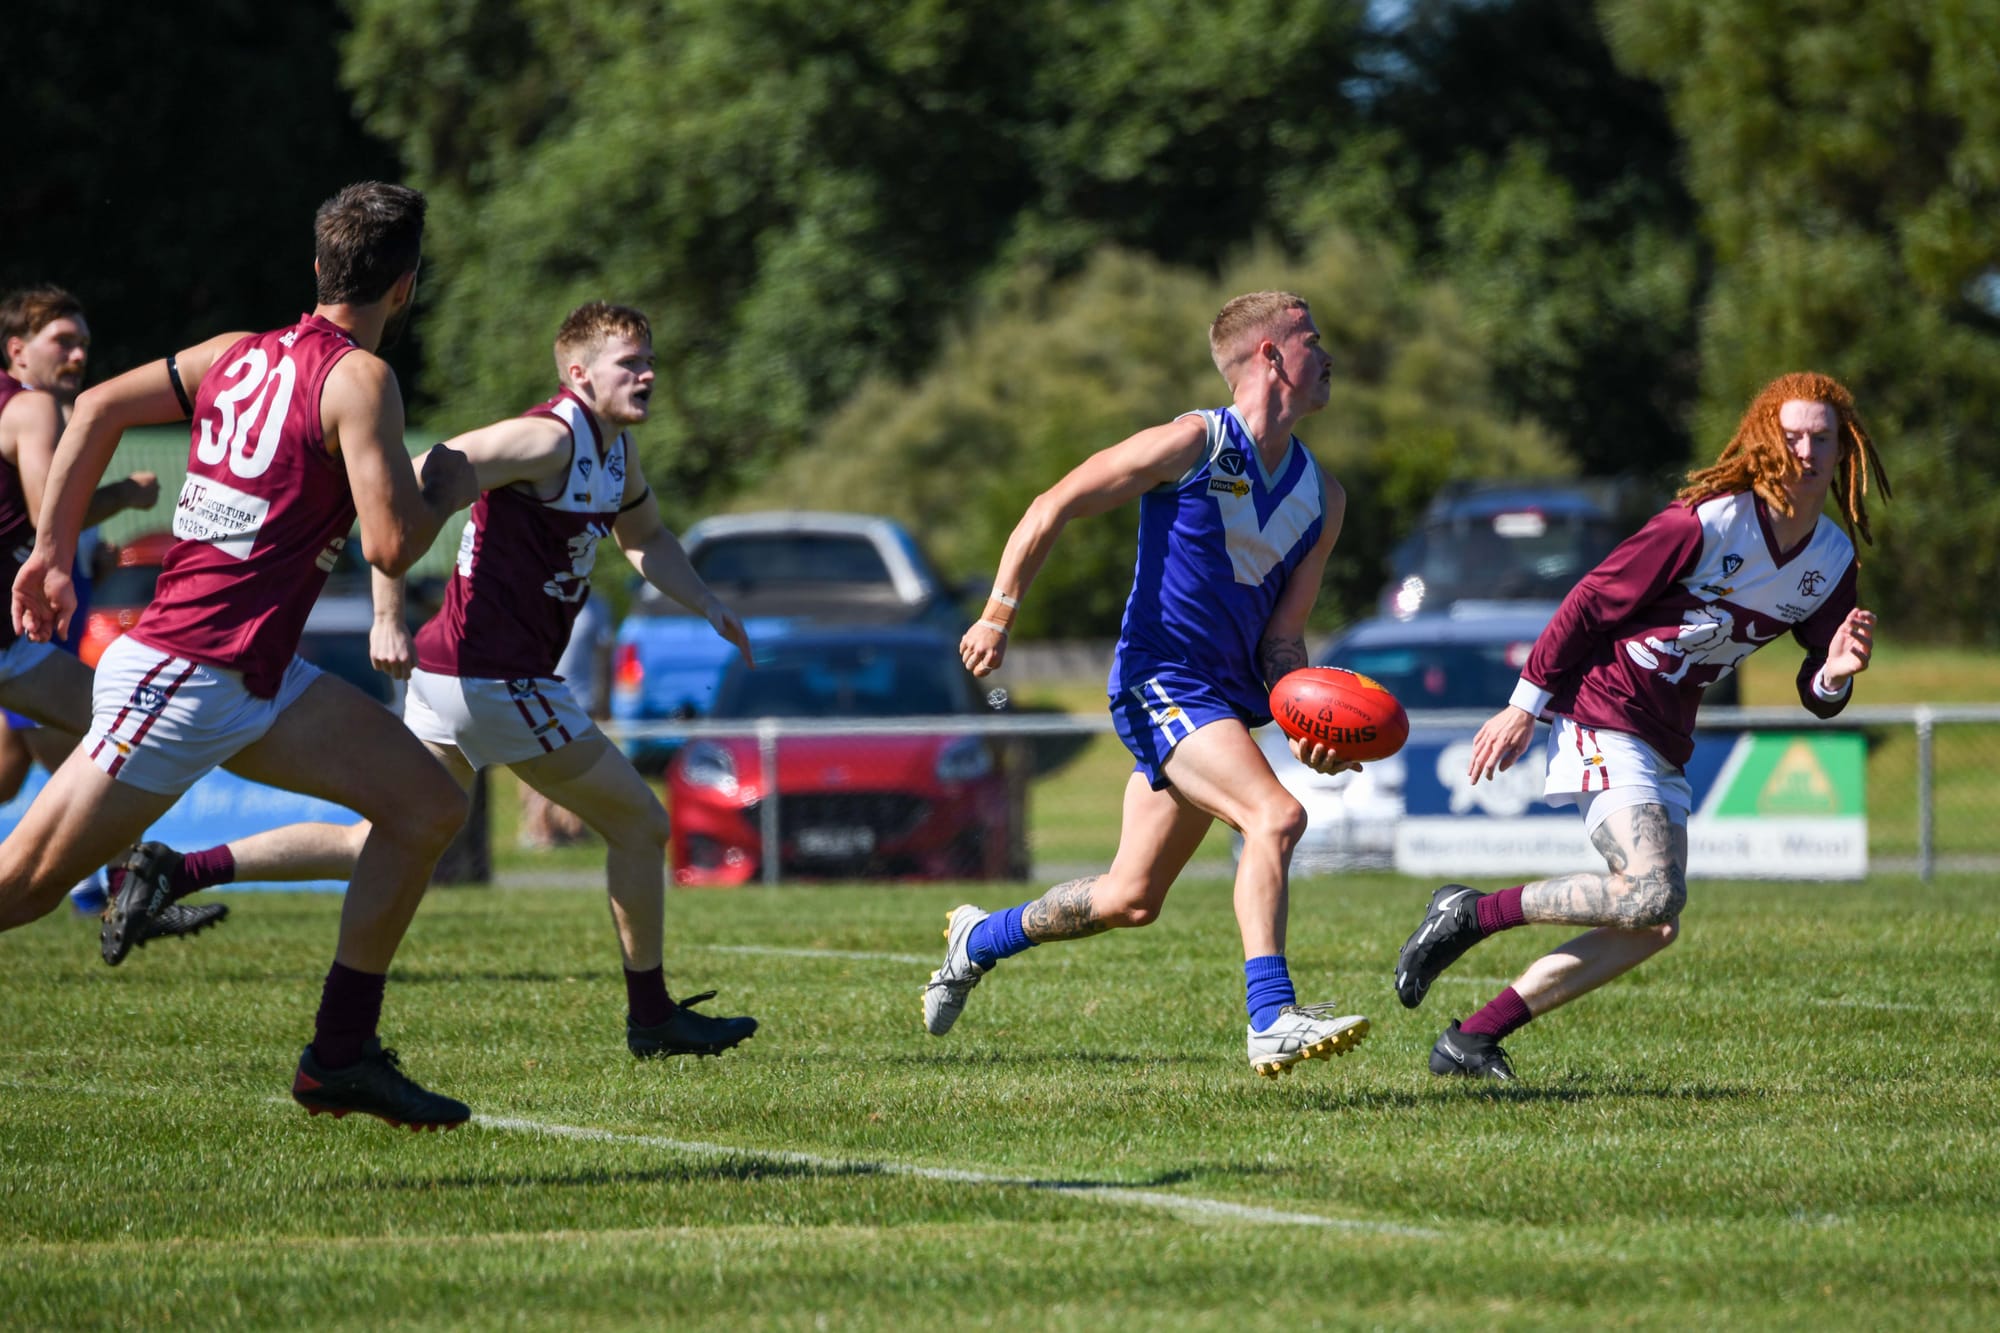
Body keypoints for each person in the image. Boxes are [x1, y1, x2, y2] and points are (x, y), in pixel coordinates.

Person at [109, 301, 762, 1062]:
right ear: (579, 374)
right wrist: (386, 611)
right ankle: (651, 1017)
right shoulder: (544, 437)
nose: (647, 373)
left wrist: (709, 602)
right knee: (642, 825)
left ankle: (179, 866)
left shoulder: (615, 454)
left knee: (384, 835)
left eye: (650, 359)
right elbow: (406, 480)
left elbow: (643, 537)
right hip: (494, 681)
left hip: (459, 679)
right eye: (630, 363)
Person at [3, 182, 482, 1129]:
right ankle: (340, 1052)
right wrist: (447, 485)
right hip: (186, 672)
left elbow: (96, 406)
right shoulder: (362, 380)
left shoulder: (234, 354)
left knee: (428, 805)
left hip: (254, 676)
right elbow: (392, 545)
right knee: (19, 887)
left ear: (318, 268)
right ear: (407, 289)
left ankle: (340, 1056)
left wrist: (51, 550)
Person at [1393, 371, 1891, 1080]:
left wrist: (1836, 672)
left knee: (1653, 921)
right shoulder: (1706, 522)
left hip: (1664, 735)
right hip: (1606, 708)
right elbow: (1590, 601)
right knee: (1653, 890)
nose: (1806, 450)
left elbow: (1817, 685)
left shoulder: (1831, 558)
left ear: (1846, 449)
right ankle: (1472, 913)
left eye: (1822, 437)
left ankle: (1470, 1038)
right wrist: (1522, 705)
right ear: (1762, 441)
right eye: (1791, 436)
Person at [926, 290, 1371, 1079]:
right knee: (1276, 816)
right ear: (1270, 355)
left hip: (1221, 705)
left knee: (1131, 897)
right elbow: (1053, 503)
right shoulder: (1195, 441)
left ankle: (976, 938)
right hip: (1159, 681)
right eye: (1312, 338)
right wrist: (998, 612)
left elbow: (1284, 641)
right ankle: (1270, 1016)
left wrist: (1310, 719)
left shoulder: (1324, 497)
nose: (1329, 354)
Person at [0, 286, 214, 939]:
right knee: (123, 730)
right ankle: (120, 890)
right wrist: (122, 494)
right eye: (61, 341)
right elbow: (45, 517)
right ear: (17, 350)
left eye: (83, 342)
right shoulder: (33, 409)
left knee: (114, 728)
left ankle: (122, 890)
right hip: (17, 638)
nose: (77, 353)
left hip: (15, 644)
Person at [518, 587, 614, 848]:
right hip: (541, 696)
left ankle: (572, 828)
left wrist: (605, 700)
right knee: (537, 766)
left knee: (576, 768)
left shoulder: (597, 606)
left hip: (582, 700)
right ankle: (540, 829)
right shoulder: (538, 598)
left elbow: (605, 656)